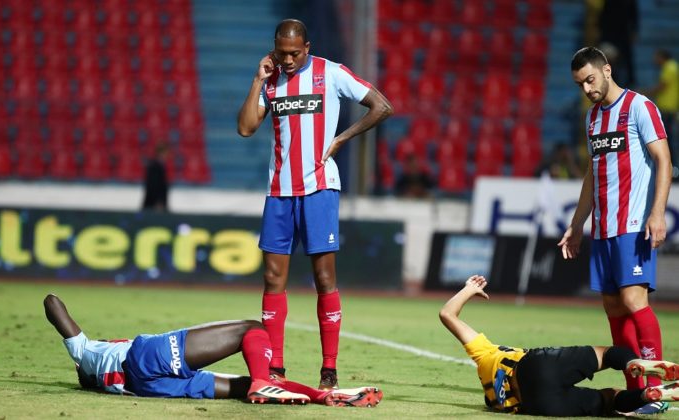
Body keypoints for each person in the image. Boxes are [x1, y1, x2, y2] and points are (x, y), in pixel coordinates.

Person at [236, 19, 393, 389]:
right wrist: (257, 80)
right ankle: (275, 369)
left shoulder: (331, 73)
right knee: (273, 278)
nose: (288, 60)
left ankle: (329, 369)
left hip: (319, 190)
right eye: (282, 53)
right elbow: (245, 128)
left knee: (324, 278)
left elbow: (382, 106)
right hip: (279, 191)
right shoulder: (271, 79)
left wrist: (342, 138)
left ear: (307, 47)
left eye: (294, 53)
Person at [558, 46, 673, 415]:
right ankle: (637, 392)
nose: (587, 89)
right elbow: (593, 174)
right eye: (580, 84)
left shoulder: (640, 107)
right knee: (613, 307)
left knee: (634, 301)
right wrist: (577, 224)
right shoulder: (592, 118)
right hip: (603, 228)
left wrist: (658, 213)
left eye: (590, 79)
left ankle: (658, 390)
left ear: (607, 70)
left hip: (634, 224)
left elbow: (664, 159)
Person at [44, 293, 383, 407]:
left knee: (242, 386)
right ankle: (262, 383)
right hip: (146, 357)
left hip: (150, 388)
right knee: (252, 329)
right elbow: (51, 302)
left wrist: (318, 395)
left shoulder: (100, 379)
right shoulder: (86, 353)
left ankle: (321, 397)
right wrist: (77, 347)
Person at [439, 276, 679, 416]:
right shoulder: (484, 356)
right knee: (607, 354)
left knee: (610, 400)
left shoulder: (495, 401)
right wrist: (469, 289)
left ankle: (646, 395)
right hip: (533, 366)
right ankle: (634, 363)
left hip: (539, 404)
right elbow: (447, 314)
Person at [649, 49, 678, 176]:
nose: (655, 60)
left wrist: (644, 93)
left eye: (657, 57)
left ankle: (671, 169)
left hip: (668, 108)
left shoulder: (670, 67)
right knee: (667, 139)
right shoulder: (671, 66)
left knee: (666, 140)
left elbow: (662, 86)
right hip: (668, 108)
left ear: (662, 57)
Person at [141, 143, 170, 212]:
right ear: (161, 152)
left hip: (158, 202)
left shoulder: (161, 165)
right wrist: (158, 201)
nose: (167, 155)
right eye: (166, 153)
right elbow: (153, 185)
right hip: (154, 203)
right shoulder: (154, 166)